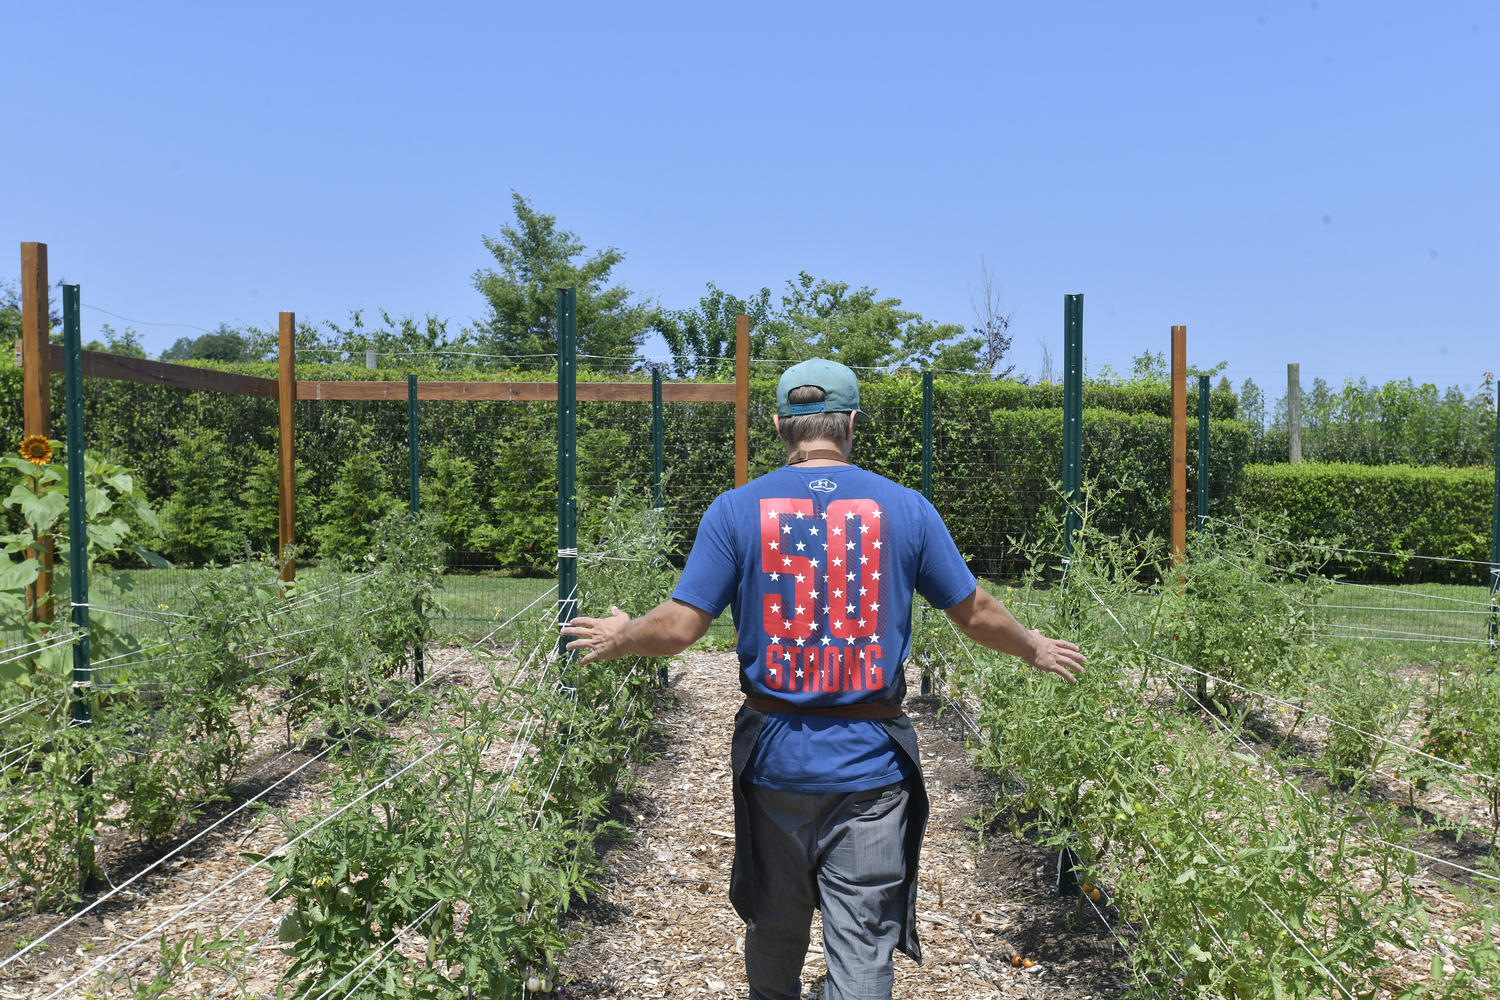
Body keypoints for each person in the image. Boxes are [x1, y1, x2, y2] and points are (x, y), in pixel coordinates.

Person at [562, 358, 1085, 1000]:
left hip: (775, 762)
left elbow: (677, 627)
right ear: (852, 423)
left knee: (775, 922)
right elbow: (973, 612)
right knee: (863, 943)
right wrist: (1033, 646)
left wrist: (621, 636)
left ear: (781, 426)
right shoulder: (907, 510)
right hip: (870, 770)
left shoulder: (735, 510)